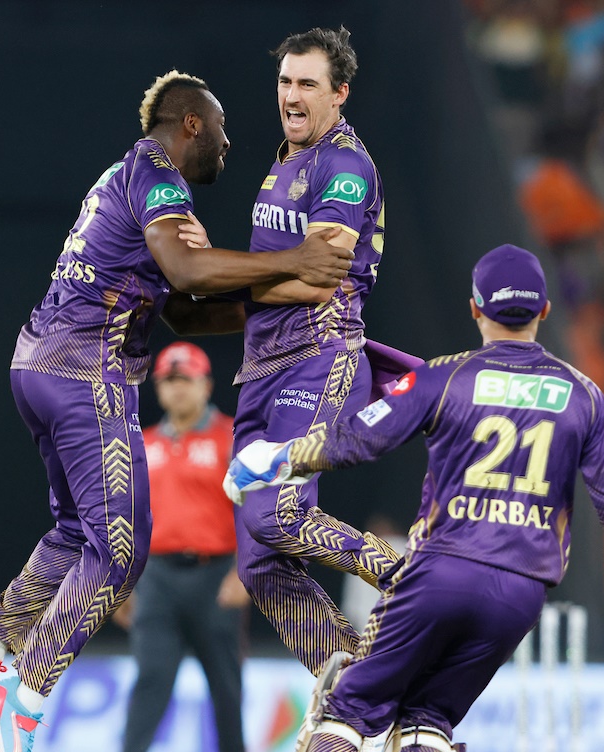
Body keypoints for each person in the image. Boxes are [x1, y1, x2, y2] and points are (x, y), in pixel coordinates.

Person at [0, 70, 353, 752]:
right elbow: (190, 269)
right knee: (123, 550)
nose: (229, 140)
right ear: (190, 123)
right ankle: (21, 701)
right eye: (220, 127)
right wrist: (295, 262)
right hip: (85, 372)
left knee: (73, 533)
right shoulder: (158, 172)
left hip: (38, 363)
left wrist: (280, 309)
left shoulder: (129, 178)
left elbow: (186, 309)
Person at [225, 244, 604, 752]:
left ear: (474, 308)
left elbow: (359, 438)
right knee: (430, 717)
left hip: (440, 572)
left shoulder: (446, 377)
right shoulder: (584, 397)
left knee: (350, 703)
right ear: (544, 311)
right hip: (520, 593)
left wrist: (280, 456)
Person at [230, 25, 403, 680]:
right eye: (285, 82)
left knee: (278, 515)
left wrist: (221, 277)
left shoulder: (345, 165)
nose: (291, 95)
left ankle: (404, 573)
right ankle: (344, 673)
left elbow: (323, 273)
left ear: (340, 95)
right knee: (256, 555)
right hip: (261, 370)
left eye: (307, 84)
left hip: (319, 356)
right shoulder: (287, 159)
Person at [83, 342, 247, 752]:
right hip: (156, 576)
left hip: (216, 574)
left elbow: (254, 513)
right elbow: (126, 519)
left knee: (224, 680)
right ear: (157, 387)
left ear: (206, 385)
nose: (176, 390)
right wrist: (121, 584)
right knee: (151, 673)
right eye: (168, 382)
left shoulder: (232, 438)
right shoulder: (143, 443)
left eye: (185, 380)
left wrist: (244, 571)